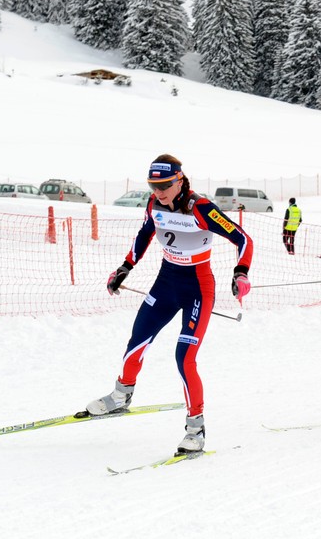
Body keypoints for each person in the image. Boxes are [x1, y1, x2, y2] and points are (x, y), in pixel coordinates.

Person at [87, 154, 254, 455]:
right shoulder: (153, 205)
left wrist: (240, 272)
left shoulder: (200, 208)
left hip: (198, 289)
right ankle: (121, 395)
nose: (159, 191)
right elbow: (144, 235)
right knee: (138, 338)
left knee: (184, 357)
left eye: (164, 185)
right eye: (154, 185)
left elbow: (243, 239)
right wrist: (124, 268)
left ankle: (196, 430)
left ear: (179, 180)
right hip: (166, 283)